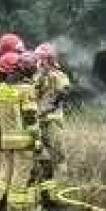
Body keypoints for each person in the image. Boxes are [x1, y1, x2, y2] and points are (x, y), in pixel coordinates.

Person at [0, 50, 41, 211]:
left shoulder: (0, 90)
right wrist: (36, 139)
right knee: (21, 172)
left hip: (6, 138)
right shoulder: (26, 89)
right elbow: (30, 117)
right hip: (23, 139)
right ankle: (15, 209)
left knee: (6, 169)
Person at [34, 42, 71, 197]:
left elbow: (64, 91)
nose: (39, 62)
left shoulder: (57, 76)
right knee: (42, 159)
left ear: (48, 59)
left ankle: (59, 193)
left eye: (41, 59)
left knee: (57, 158)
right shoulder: (35, 76)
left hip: (52, 123)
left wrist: (49, 105)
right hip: (39, 124)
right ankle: (46, 193)